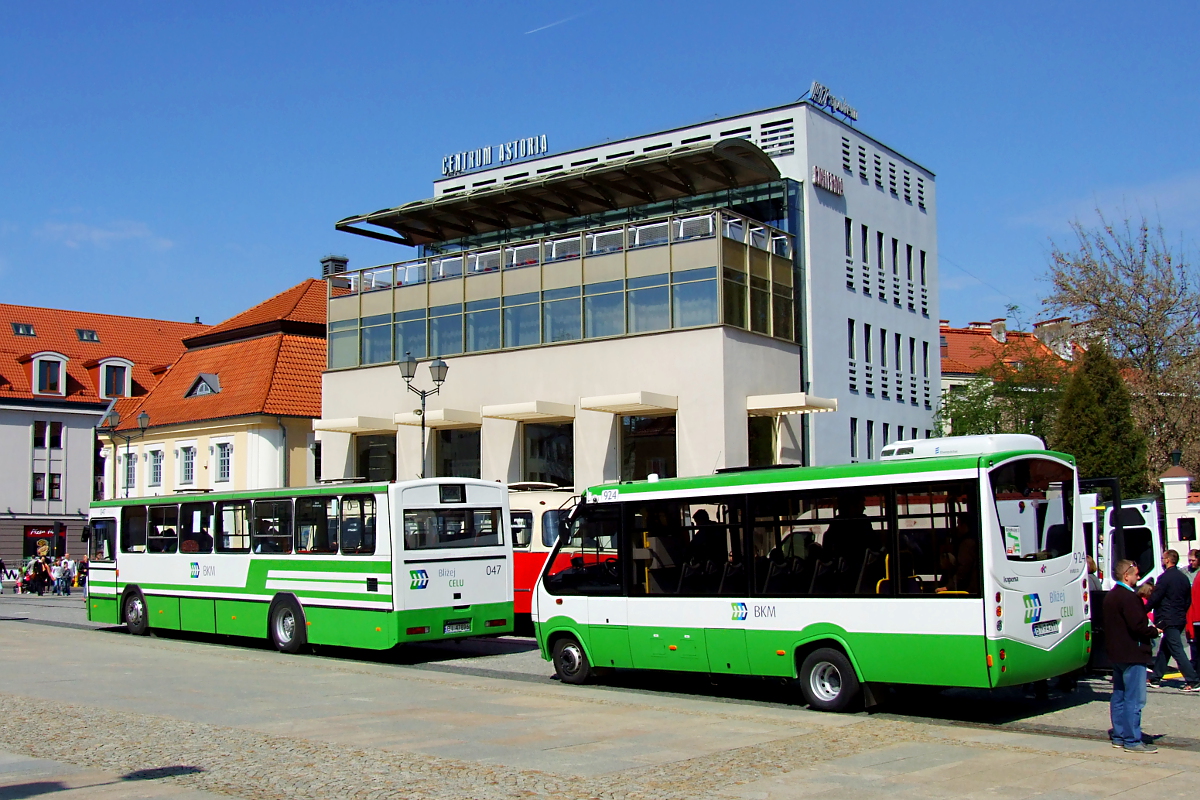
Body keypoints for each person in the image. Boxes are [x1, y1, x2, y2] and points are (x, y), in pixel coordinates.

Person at [1104, 558, 1160, 753]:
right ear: (1126, 576)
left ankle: (1119, 735)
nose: (1139, 577)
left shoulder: (1111, 596)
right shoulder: (1129, 597)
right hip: (1132, 653)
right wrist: (1155, 631)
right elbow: (1138, 626)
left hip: (1117, 654)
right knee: (1134, 699)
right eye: (1136, 574)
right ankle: (1132, 739)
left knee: (1119, 695)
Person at [1147, 549, 1199, 691]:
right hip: (1180, 617)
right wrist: (1182, 612)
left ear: (1168, 560)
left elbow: (1156, 597)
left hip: (1167, 618)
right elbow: (1188, 599)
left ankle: (1193, 679)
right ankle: (1156, 678)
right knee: (1166, 648)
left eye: (1164, 559)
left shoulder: (1164, 578)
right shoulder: (1183, 577)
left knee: (1176, 650)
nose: (1163, 561)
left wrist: (1144, 609)